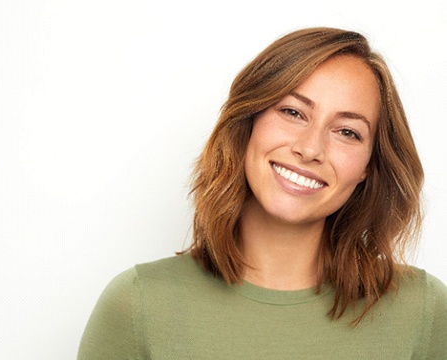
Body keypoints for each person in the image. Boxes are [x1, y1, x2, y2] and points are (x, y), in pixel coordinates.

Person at [77, 27, 447, 359]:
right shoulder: (139, 305)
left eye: (347, 132)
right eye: (292, 112)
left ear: (369, 165)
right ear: (248, 122)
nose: (310, 148)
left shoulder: (423, 312)